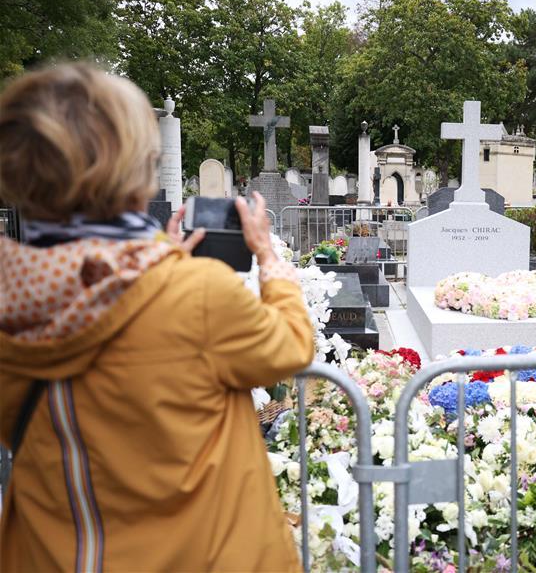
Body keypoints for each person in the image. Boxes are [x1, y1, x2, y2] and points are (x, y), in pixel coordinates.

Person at [0, 64, 315, 570]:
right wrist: (269, 260)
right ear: (138, 167)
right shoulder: (198, 295)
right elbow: (291, 346)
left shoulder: (11, 297)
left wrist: (154, 257)